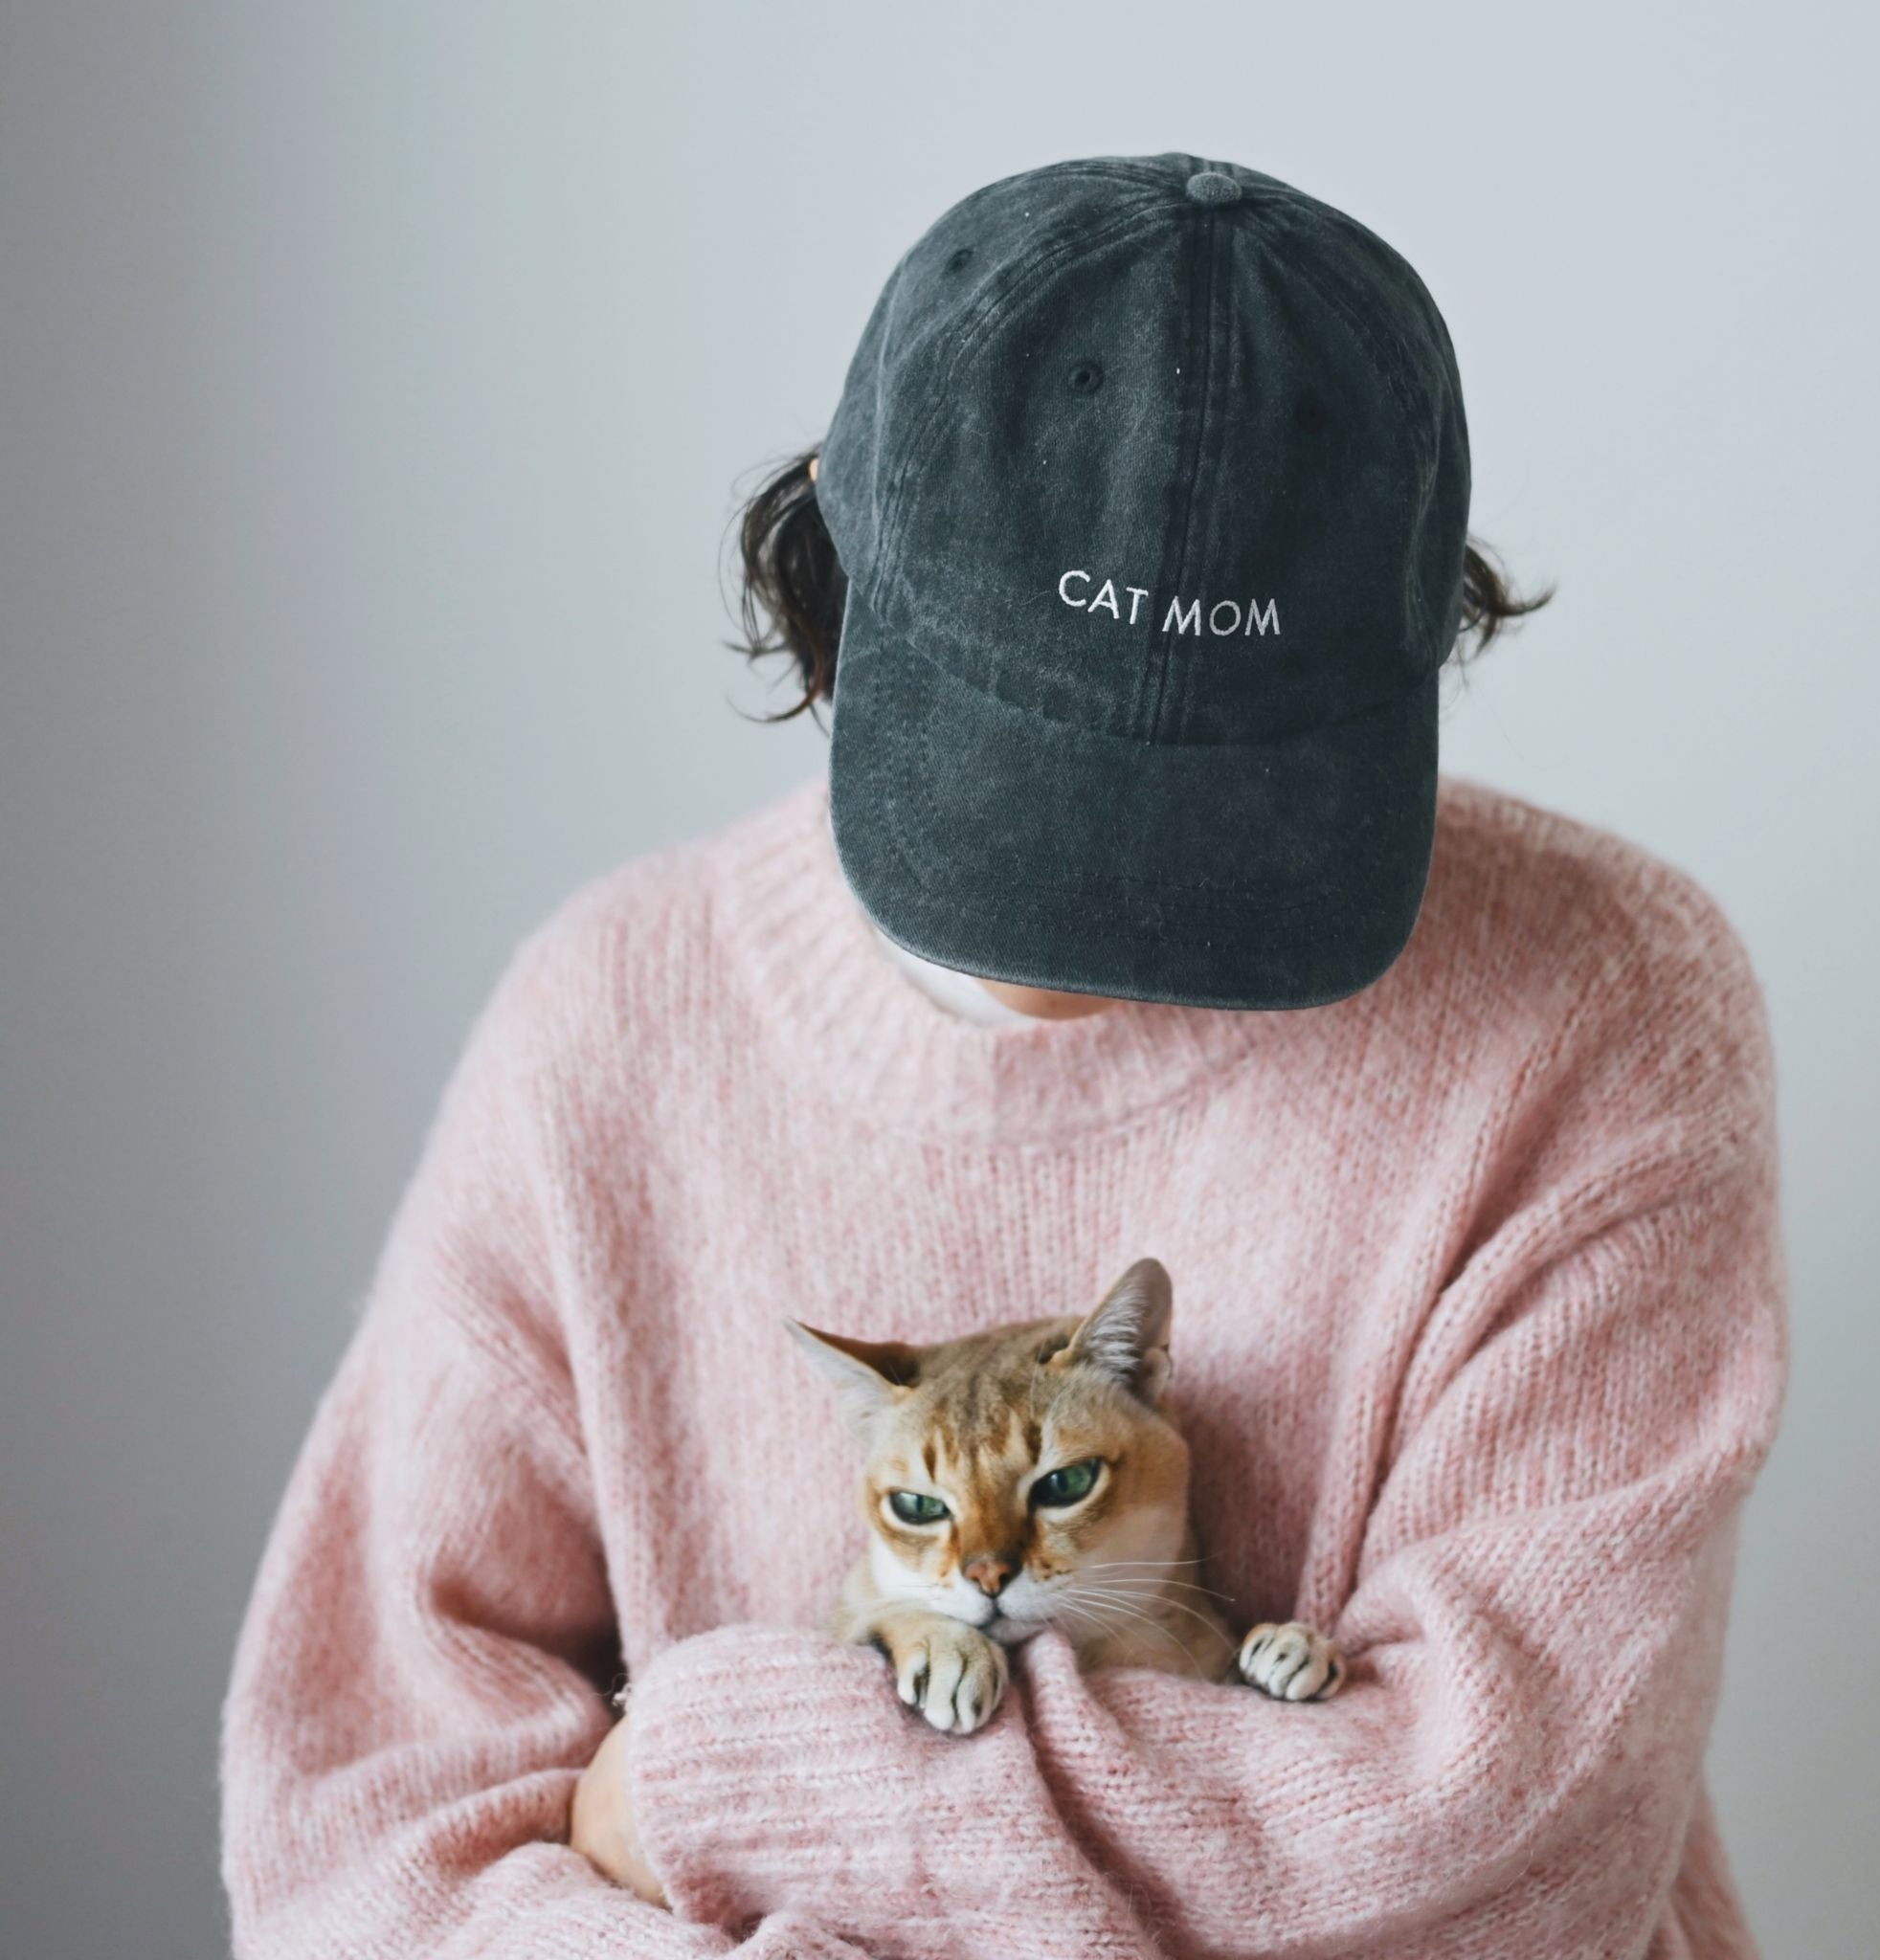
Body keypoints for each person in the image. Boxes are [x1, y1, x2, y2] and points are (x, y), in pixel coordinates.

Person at [218, 153, 1787, 1960]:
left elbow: (1499, 1858)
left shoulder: (1602, 1007)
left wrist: (727, 1786)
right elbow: (358, 1857)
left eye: (1219, 789)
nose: (1106, 897)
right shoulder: (607, 1032)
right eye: (1032, 757)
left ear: (1418, 645)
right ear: (832, 558)